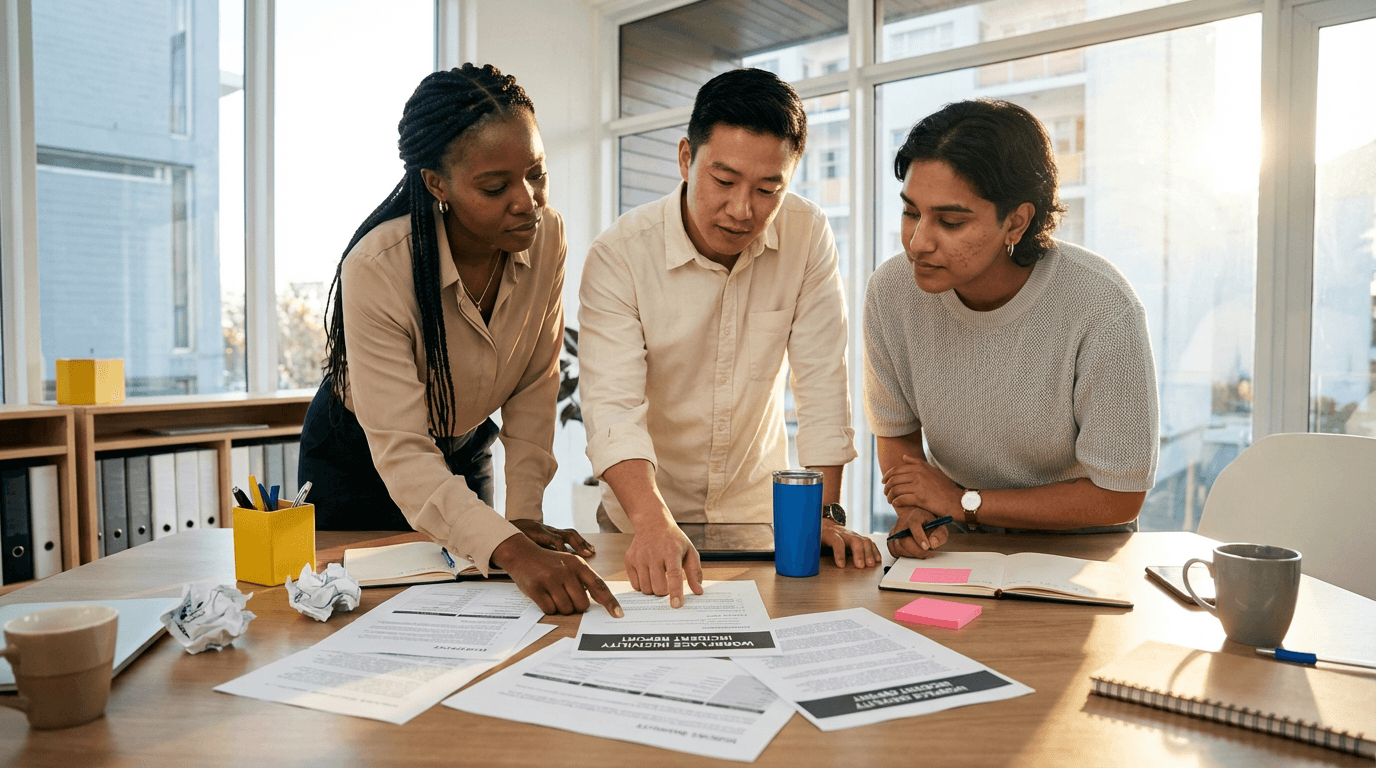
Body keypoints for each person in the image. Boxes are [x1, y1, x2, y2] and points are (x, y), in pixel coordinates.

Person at [298, 64, 620, 617]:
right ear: (436, 183)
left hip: (464, 446)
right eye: (495, 187)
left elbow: (534, 380)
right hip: (359, 460)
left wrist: (521, 520)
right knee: (360, 621)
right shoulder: (377, 267)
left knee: (472, 607)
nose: (527, 201)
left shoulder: (547, 238)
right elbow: (400, 450)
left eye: (537, 173)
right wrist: (514, 551)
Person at [579, 68, 880, 608]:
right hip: (642, 520)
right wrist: (651, 523)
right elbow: (613, 407)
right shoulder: (620, 254)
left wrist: (824, 516)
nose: (744, 210)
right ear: (684, 159)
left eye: (769, 190)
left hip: (758, 517)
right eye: (723, 181)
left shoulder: (806, 233)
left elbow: (822, 379)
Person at [865, 98, 1160, 561]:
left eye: (950, 221)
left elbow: (1118, 495)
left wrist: (964, 503)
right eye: (910, 213)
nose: (919, 242)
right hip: (957, 544)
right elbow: (898, 433)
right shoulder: (891, 292)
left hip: (1082, 552)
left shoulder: (1101, 305)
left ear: (1016, 222)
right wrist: (918, 508)